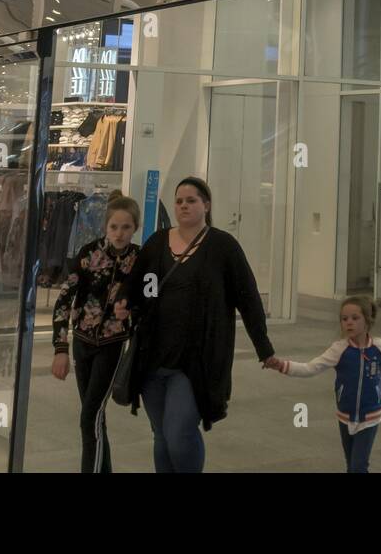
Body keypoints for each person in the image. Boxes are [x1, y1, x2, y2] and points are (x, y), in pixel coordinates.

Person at [114, 177, 274, 472]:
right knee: (161, 435)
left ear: (206, 205)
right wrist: (125, 303)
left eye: (191, 200)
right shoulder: (158, 242)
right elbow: (140, 285)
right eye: (179, 201)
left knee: (178, 434)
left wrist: (264, 347)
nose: (184, 206)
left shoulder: (223, 247)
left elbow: (248, 299)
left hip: (197, 360)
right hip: (152, 356)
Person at [50, 192, 140, 473]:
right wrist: (60, 348)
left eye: (126, 227)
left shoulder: (140, 259)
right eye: (114, 226)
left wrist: (132, 312)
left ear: (135, 227)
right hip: (82, 343)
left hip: (112, 346)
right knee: (94, 419)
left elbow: (151, 301)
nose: (119, 233)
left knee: (90, 417)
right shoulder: (89, 253)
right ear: (105, 227)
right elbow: (65, 299)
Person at [266, 295, 381, 473]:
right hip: (344, 415)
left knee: (359, 467)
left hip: (371, 416)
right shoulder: (339, 349)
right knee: (351, 464)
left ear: (367, 320)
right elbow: (310, 368)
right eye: (344, 319)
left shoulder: (380, 347)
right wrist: (282, 365)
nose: (349, 323)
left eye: (355, 318)